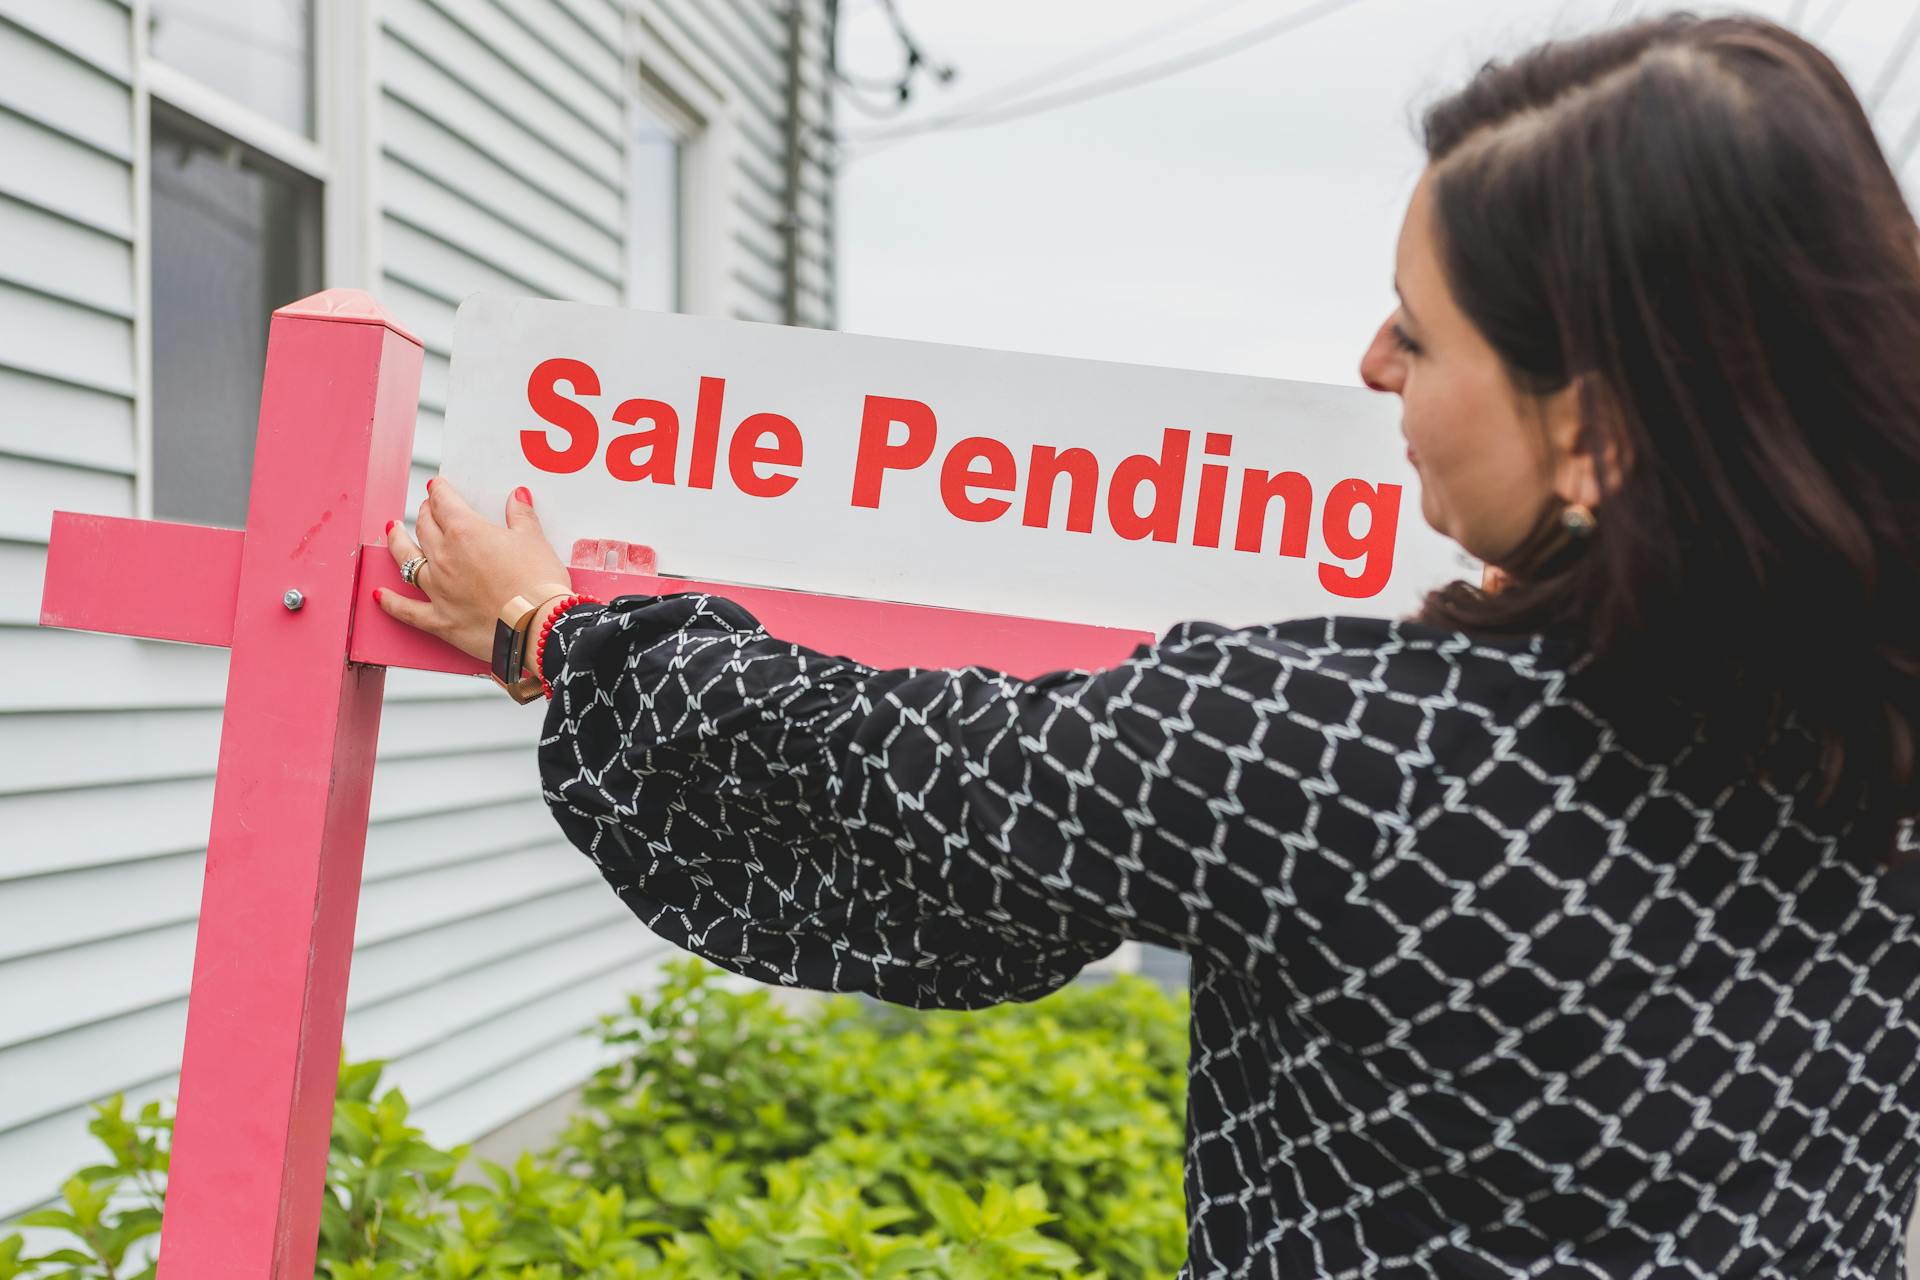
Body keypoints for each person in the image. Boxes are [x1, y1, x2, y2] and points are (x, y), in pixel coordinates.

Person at [376, 12, 1920, 1277]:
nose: (1369, 362)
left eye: (1420, 327)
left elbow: (879, 769)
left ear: (1590, 430)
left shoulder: (1344, 751)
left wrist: (554, 628)